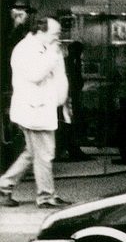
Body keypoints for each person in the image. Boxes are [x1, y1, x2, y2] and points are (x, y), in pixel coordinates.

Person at [0, 17, 72, 208]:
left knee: (32, 153)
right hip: (34, 109)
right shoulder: (25, 49)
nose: (58, 37)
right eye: (55, 33)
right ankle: (46, 196)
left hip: (36, 108)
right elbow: (35, 75)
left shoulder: (40, 47)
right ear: (40, 31)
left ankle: (4, 186)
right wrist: (53, 54)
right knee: (45, 153)